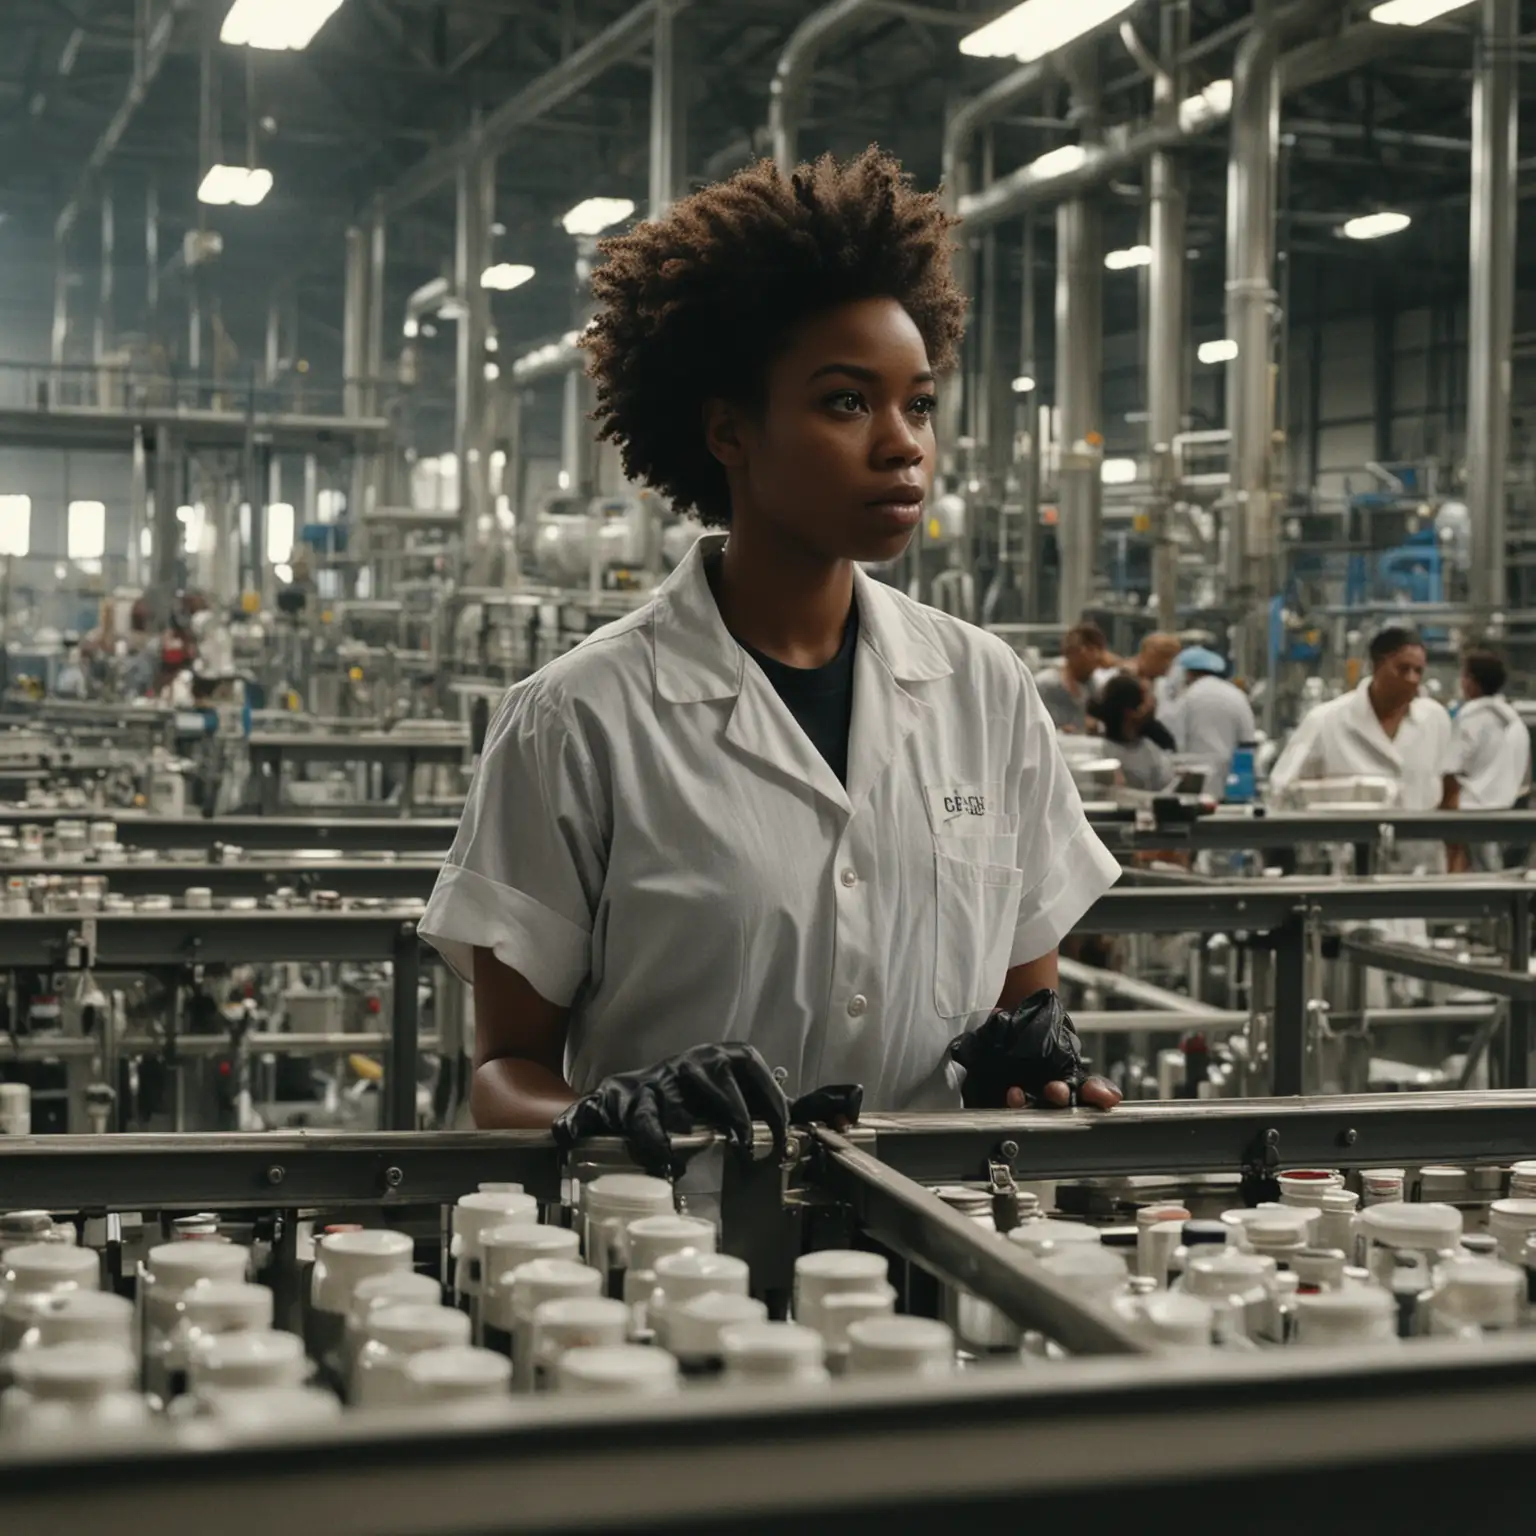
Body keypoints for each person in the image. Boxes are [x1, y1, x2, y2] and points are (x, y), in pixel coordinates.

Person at [419, 151, 1123, 1174]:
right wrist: (608, 1113)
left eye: (917, 405)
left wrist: (1033, 1067)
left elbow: (1023, 1017)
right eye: (846, 403)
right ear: (728, 431)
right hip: (668, 1268)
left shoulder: (986, 691)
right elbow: (503, 1074)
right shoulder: (578, 719)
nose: (903, 446)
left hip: (934, 1267)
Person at [1452, 647, 1530, 870]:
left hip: (1471, 817)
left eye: (1464, 676)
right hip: (1509, 816)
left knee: (1478, 882)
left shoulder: (1471, 718)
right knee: (1497, 880)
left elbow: (1450, 770)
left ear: (1472, 682)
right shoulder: (1515, 721)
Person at [1164, 646, 1256, 801]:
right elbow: (1248, 740)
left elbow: (1174, 743)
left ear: (1187, 673)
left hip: (1194, 787)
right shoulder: (1236, 694)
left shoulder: (1187, 697)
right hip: (1233, 787)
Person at [1088, 674, 1178, 792]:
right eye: (1146, 700)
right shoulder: (1101, 752)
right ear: (1131, 712)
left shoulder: (1150, 749)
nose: (1152, 704)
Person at [1036, 622, 1112, 733]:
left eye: (1098, 649)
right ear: (1071, 652)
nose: (1095, 656)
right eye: (1089, 649)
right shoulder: (1044, 685)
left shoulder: (1098, 688)